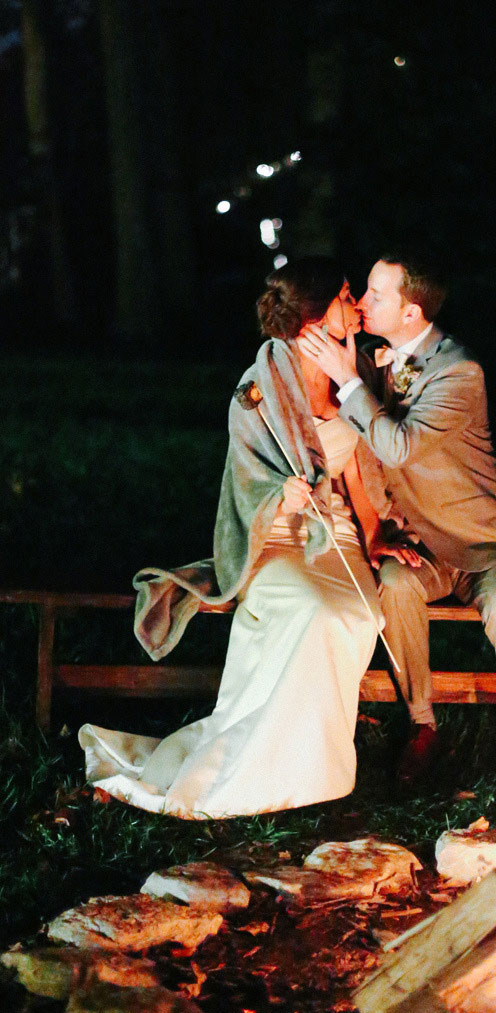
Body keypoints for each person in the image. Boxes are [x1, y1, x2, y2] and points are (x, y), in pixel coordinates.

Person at [79, 258, 414, 818]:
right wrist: (279, 496)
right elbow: (245, 481)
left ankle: (314, 769)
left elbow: (356, 469)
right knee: (313, 612)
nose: (355, 303)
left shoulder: (352, 368)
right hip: (278, 537)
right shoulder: (258, 387)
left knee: (356, 616)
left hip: (336, 533)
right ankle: (258, 768)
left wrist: (375, 539)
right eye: (345, 294)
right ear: (313, 313)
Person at [297, 250, 496, 785]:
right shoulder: (371, 356)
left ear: (411, 314)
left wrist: (349, 383)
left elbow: (397, 445)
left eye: (375, 294)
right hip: (418, 545)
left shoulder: (461, 372)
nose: (362, 302)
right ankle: (423, 725)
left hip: (481, 542)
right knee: (393, 583)